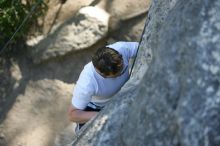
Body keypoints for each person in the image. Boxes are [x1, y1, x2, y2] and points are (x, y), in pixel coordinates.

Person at [68, 41, 139, 132]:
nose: (121, 73)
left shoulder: (123, 48)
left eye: (122, 69)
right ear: (103, 75)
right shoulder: (87, 82)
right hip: (97, 107)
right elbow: (73, 114)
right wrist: (103, 115)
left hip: (123, 94)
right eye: (116, 75)